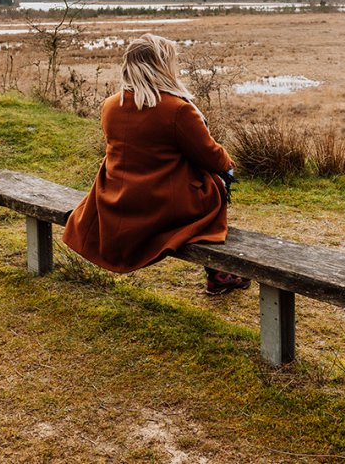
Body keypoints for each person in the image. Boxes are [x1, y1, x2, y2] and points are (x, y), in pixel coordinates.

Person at [62, 33, 250, 295]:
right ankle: (219, 273)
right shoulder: (177, 109)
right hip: (160, 205)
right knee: (217, 182)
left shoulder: (110, 105)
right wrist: (228, 166)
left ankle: (219, 272)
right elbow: (212, 156)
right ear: (162, 66)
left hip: (116, 199)